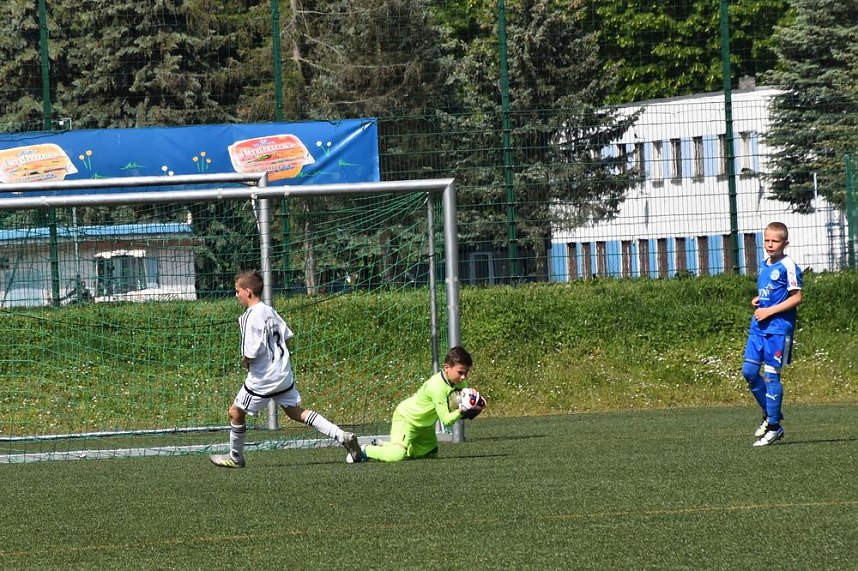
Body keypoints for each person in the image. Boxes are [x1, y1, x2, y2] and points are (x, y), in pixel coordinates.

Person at [210, 269, 363, 467]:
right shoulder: (270, 311)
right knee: (294, 411)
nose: (236, 295)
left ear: (247, 291)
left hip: (263, 378)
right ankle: (342, 435)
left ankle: (235, 458)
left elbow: (251, 351)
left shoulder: (248, 316)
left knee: (235, 412)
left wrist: (245, 362)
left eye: (237, 291)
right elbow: (286, 337)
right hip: (283, 373)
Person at [348, 346, 484, 463]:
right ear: (447, 368)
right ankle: (365, 450)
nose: (464, 377)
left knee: (430, 453)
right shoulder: (437, 387)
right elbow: (446, 420)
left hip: (425, 426)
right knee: (396, 456)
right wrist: (462, 410)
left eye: (466, 373)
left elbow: (459, 409)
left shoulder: (461, 383)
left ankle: (391, 446)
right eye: (460, 372)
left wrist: (475, 408)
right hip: (407, 418)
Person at [742, 222, 803, 447]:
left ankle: (775, 426)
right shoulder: (764, 264)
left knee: (771, 376)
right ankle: (770, 414)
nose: (770, 244)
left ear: (785, 243)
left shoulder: (789, 266)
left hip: (778, 329)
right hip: (759, 326)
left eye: (775, 241)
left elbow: (796, 297)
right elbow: (771, 292)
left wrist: (770, 309)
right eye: (766, 240)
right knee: (749, 372)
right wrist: (760, 301)